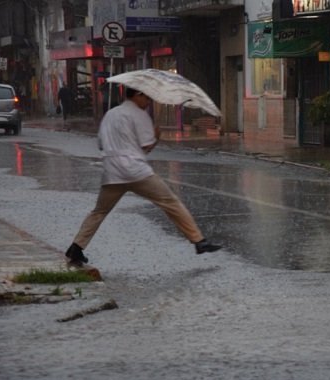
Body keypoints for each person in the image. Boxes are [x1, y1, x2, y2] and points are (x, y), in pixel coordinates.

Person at [65, 87, 221, 265]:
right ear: (138, 95)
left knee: (99, 211)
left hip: (112, 172)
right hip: (136, 171)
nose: (148, 103)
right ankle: (199, 241)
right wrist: (156, 136)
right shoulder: (139, 115)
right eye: (147, 98)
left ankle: (76, 248)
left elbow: (101, 144)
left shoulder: (110, 114)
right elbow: (146, 146)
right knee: (170, 202)